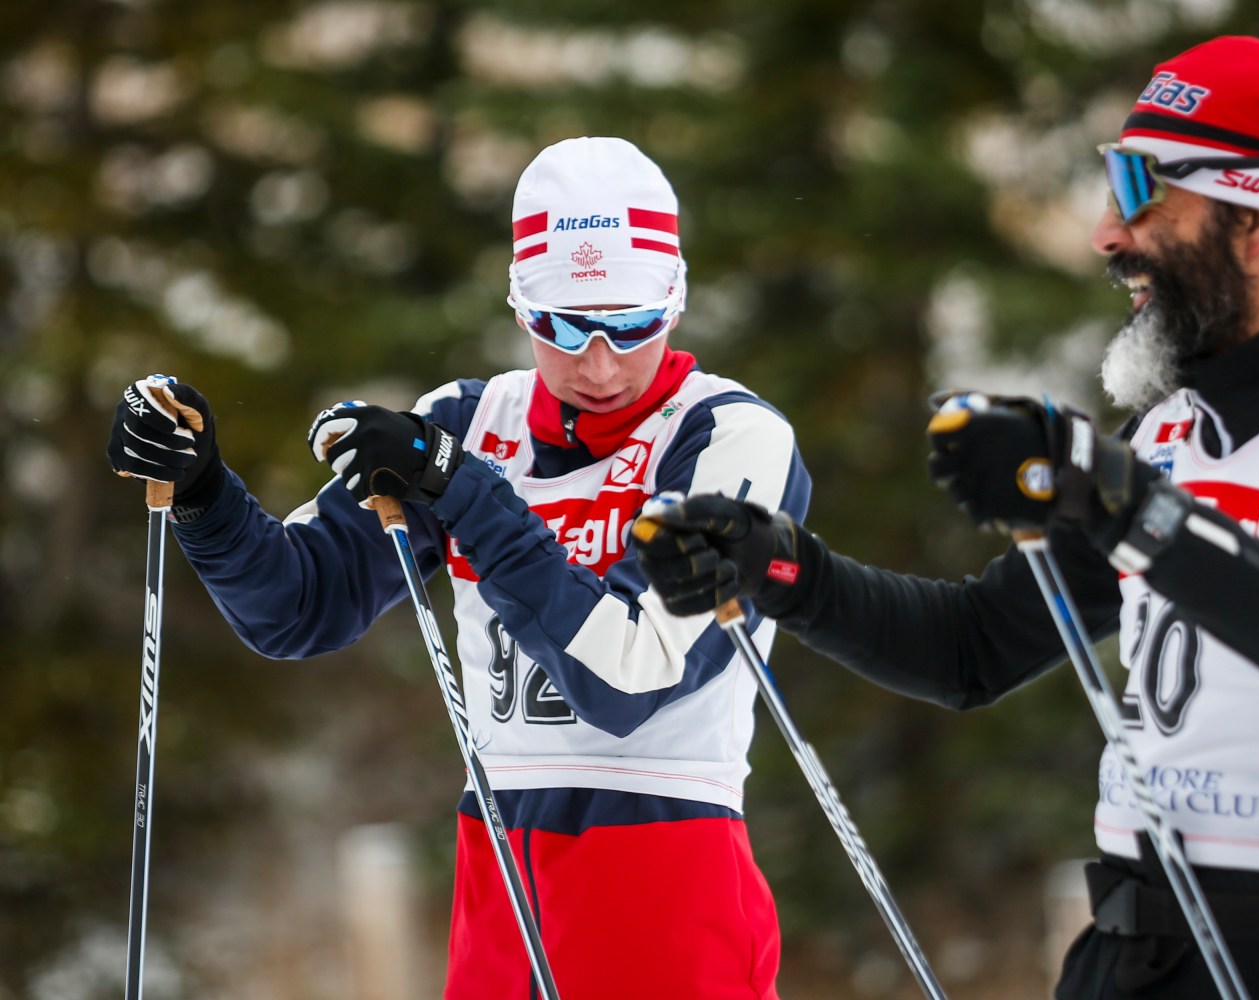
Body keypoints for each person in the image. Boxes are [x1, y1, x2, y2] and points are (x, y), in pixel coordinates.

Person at [631, 36, 1259, 999]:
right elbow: (974, 648)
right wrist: (781, 569)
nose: (1107, 231)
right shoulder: (1176, 435)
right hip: (1132, 955)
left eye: (1143, 190)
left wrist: (1121, 501)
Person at [107, 137, 810, 1000]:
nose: (598, 362)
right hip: (502, 871)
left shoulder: (731, 439)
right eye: (562, 325)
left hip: (667, 862)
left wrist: (463, 490)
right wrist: (204, 491)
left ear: (676, 300)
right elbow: (298, 607)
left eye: (629, 325)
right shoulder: (470, 424)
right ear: (520, 308)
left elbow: (628, 681)